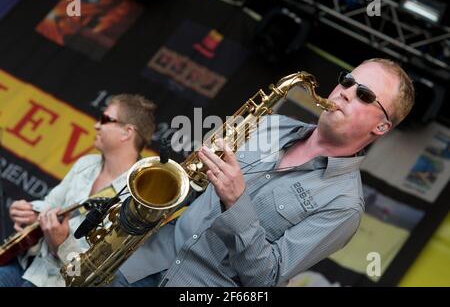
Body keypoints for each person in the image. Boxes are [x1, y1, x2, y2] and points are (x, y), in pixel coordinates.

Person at [109, 58, 414, 287]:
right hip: (143, 264)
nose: (346, 92)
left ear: (382, 126)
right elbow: (195, 183)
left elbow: (266, 279)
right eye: (347, 81)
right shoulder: (270, 125)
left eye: (364, 95)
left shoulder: (344, 207)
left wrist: (237, 203)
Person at [0, 94, 156, 287]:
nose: (96, 125)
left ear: (127, 132)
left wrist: (62, 244)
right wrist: (31, 213)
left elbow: (97, 274)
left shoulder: (137, 197)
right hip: (33, 267)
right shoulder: (86, 163)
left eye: (106, 119)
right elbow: (51, 205)